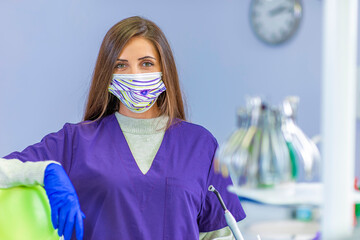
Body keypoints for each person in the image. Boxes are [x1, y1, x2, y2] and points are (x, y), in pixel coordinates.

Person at [0, 16, 246, 240]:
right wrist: (45, 170)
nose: (134, 74)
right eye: (121, 65)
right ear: (107, 74)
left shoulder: (200, 145)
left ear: (164, 71)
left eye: (146, 63)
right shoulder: (76, 141)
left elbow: (219, 235)